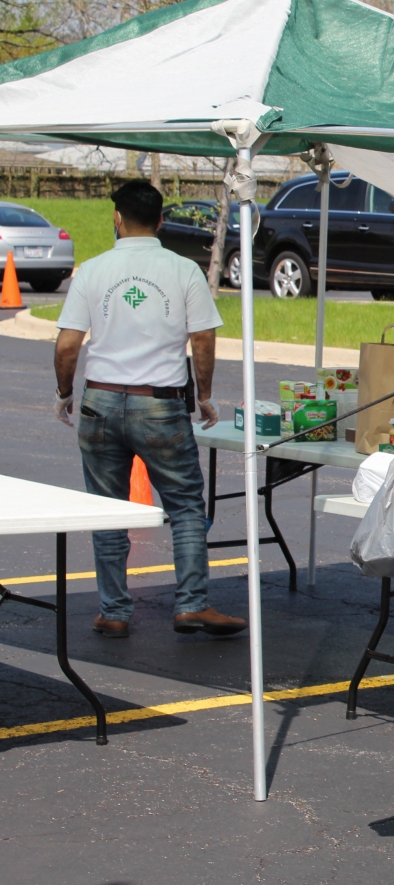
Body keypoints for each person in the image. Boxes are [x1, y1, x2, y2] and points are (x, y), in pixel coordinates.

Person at [53, 180, 246, 639]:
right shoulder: (184, 271)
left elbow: (67, 343)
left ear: (117, 218)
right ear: (160, 220)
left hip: (100, 400)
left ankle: (115, 610)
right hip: (159, 403)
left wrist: (65, 391)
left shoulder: (94, 271)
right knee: (183, 506)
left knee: (108, 509)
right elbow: (203, 339)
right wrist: (203, 396)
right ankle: (191, 604)